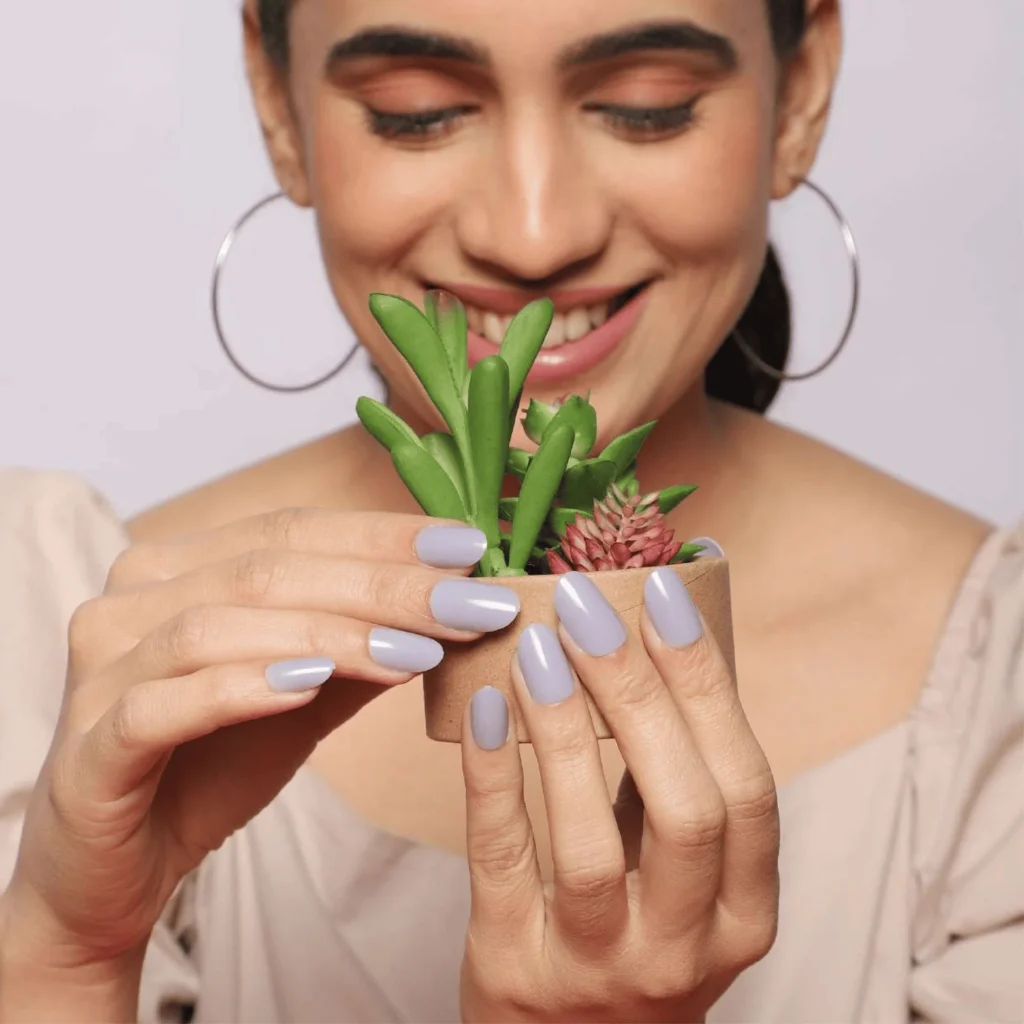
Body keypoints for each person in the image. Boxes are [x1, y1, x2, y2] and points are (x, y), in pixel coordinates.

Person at [0, 0, 1020, 1020]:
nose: (534, 237)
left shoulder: (992, 691)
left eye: (643, 106)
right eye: (418, 112)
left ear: (797, 97)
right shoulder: (60, 632)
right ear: (278, 108)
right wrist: (68, 955)